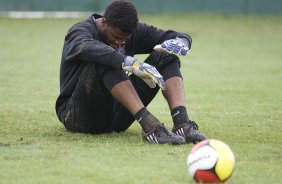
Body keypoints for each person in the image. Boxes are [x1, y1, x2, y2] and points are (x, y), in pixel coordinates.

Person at [55, 0, 206, 144]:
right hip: (78, 116)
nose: (119, 42)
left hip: (117, 117)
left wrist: (182, 41)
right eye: (115, 36)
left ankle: (182, 124)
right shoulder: (79, 31)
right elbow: (85, 47)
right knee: (109, 58)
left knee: (166, 55)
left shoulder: (131, 33)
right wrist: (129, 62)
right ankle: (150, 127)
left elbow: (173, 36)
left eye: (124, 40)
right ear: (104, 22)